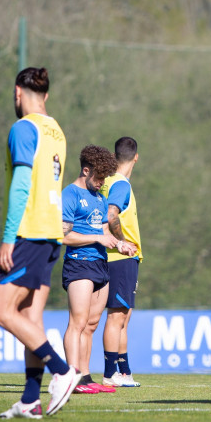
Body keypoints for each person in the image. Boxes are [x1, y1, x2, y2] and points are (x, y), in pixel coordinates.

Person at [0, 67, 81, 419]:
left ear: (18, 93)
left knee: (0, 310)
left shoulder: (23, 128)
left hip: (28, 232)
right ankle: (30, 399)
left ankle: (62, 369)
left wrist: (8, 237)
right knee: (31, 316)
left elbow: (21, 184)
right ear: (46, 95)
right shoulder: (55, 129)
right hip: (51, 233)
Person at [61, 145, 134, 394]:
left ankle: (85, 377)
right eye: (99, 177)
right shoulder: (69, 195)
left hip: (101, 264)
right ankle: (71, 378)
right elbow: (63, 236)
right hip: (79, 263)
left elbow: (104, 232)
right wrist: (96, 239)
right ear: (85, 170)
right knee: (77, 322)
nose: (101, 182)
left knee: (91, 324)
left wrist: (120, 244)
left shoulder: (100, 197)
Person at [99, 137, 143, 388]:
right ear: (136, 157)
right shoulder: (120, 184)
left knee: (123, 317)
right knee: (116, 318)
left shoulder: (106, 181)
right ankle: (109, 373)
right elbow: (111, 214)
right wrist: (122, 242)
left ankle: (124, 371)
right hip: (120, 258)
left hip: (118, 258)